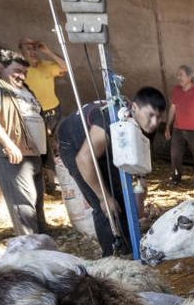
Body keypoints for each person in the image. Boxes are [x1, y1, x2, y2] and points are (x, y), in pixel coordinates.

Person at [55, 87, 166, 256]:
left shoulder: (146, 126)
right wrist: (104, 197)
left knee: (122, 195)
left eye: (158, 117)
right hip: (74, 143)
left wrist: (141, 178)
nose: (154, 122)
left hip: (105, 142)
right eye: (150, 115)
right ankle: (113, 257)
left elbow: (142, 152)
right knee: (106, 206)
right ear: (134, 108)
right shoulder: (109, 121)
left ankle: (130, 248)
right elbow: (84, 159)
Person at [0, 48, 47, 236]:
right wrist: (8, 144)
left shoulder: (23, 89)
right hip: (11, 151)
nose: (22, 76)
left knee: (36, 198)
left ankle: (42, 238)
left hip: (33, 151)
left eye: (24, 72)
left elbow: (34, 114)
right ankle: (30, 244)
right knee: (22, 200)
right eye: (17, 71)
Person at [18, 37, 67, 193]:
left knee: (62, 144)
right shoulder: (21, 70)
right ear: (21, 52)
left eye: (34, 48)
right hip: (37, 115)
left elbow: (66, 67)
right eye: (28, 48)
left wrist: (48, 51)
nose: (32, 51)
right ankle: (51, 184)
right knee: (44, 149)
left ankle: (67, 178)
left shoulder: (46, 66)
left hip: (55, 110)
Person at [164, 65, 194, 187]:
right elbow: (172, 109)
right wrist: (167, 126)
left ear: (189, 76)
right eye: (178, 75)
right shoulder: (176, 90)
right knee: (175, 154)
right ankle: (175, 178)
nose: (178, 77)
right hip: (178, 129)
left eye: (181, 74)